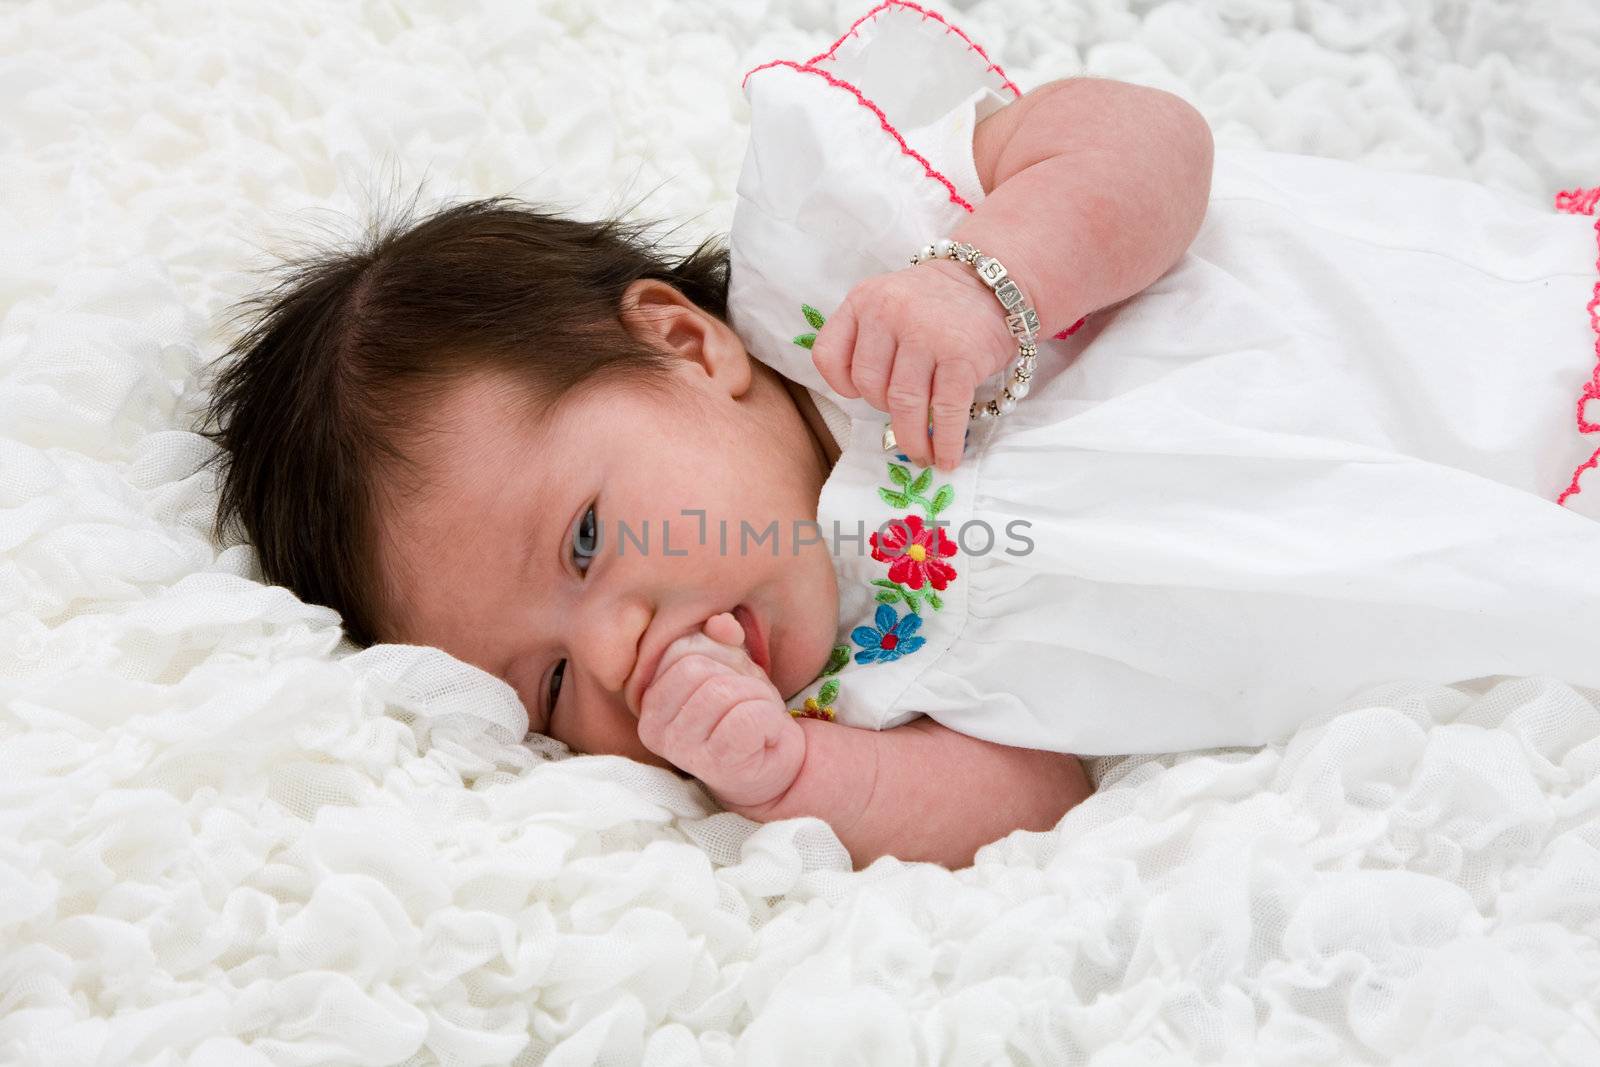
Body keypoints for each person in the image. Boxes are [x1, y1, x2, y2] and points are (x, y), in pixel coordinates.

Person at [205, 1, 1600, 870]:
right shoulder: (865, 684)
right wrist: (798, 777)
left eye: (584, 538)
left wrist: (998, 280)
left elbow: (1155, 146)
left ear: (685, 346)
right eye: (555, 687)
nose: (623, 651)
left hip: (1494, 353)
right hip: (1500, 542)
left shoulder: (861, 257)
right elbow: (1031, 803)